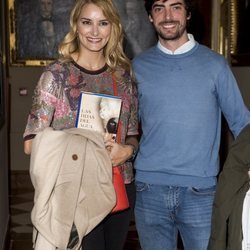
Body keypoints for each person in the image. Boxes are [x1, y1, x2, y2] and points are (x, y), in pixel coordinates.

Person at [132, 0, 250, 249]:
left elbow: (242, 123)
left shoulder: (215, 65)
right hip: (149, 189)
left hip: (201, 192)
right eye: (159, 8)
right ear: (151, 17)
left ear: (187, 15)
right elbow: (126, 126)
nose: (167, 16)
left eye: (176, 7)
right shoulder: (137, 67)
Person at [23, 0, 139, 249]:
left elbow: (132, 134)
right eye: (87, 22)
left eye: (103, 23)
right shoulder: (55, 76)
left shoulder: (123, 77)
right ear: (76, 26)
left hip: (118, 185)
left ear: (113, 28)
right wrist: (85, 145)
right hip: (76, 190)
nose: (95, 32)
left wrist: (127, 151)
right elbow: (31, 144)